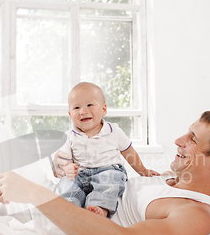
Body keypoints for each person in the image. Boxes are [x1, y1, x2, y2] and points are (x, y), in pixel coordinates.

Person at [0, 109, 210, 235]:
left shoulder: (195, 215)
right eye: (186, 132)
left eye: (193, 139)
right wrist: (62, 168)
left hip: (61, 226)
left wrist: (34, 194)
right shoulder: (167, 178)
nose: (178, 140)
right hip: (60, 199)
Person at [56, 82, 159, 218]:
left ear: (104, 109)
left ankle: (99, 208)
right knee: (65, 183)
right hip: (80, 175)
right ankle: (71, 207)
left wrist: (143, 171)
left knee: (112, 180)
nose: (83, 111)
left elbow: (129, 153)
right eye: (76, 107)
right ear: (70, 114)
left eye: (89, 105)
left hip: (107, 170)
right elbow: (64, 159)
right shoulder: (69, 136)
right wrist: (67, 169)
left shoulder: (114, 131)